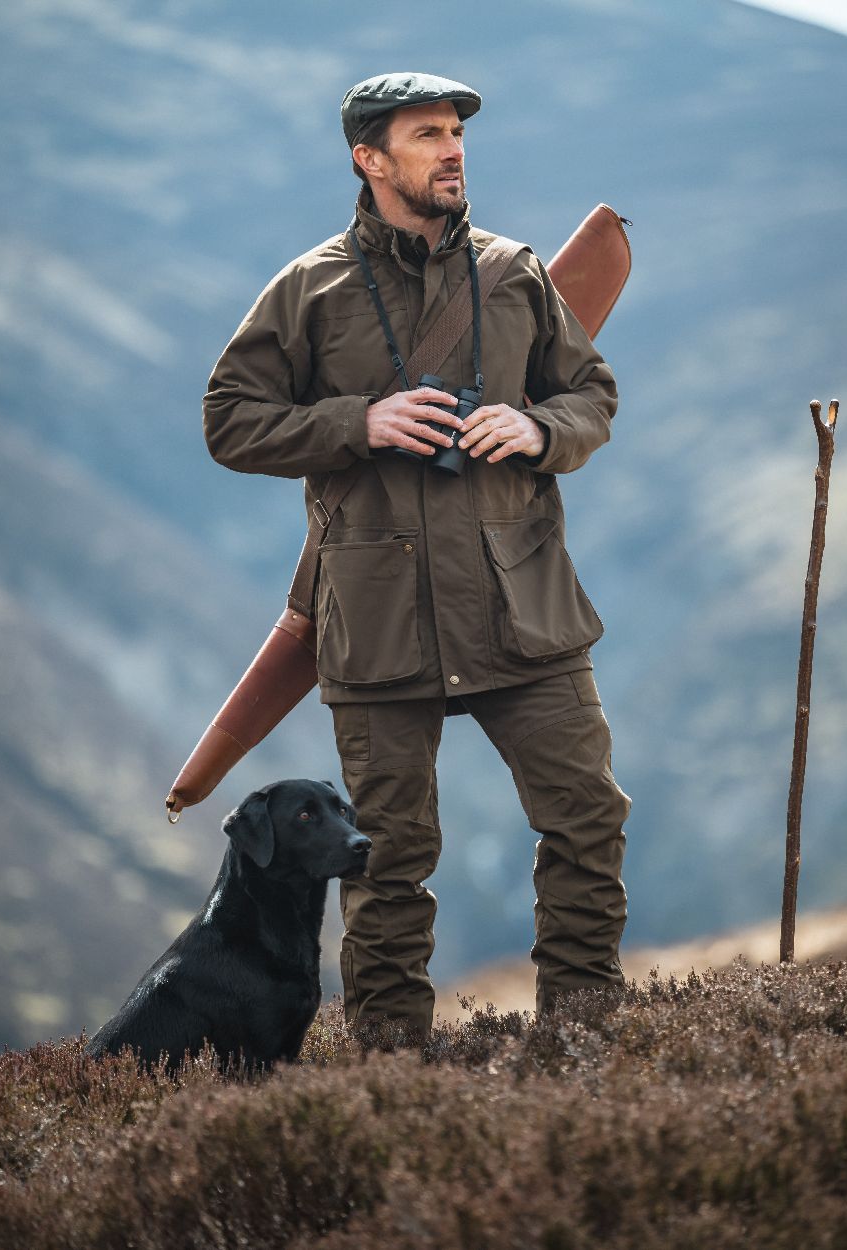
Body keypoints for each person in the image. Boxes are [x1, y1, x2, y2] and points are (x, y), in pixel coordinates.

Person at [203, 72, 630, 1038]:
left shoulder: (515, 273)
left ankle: (582, 1045)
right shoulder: (307, 290)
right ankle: (393, 1069)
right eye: (428, 134)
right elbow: (229, 422)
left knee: (589, 821)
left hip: (524, 607)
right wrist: (361, 420)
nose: (453, 150)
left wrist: (537, 430)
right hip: (379, 616)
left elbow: (591, 394)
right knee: (387, 860)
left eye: (457, 134)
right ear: (369, 157)